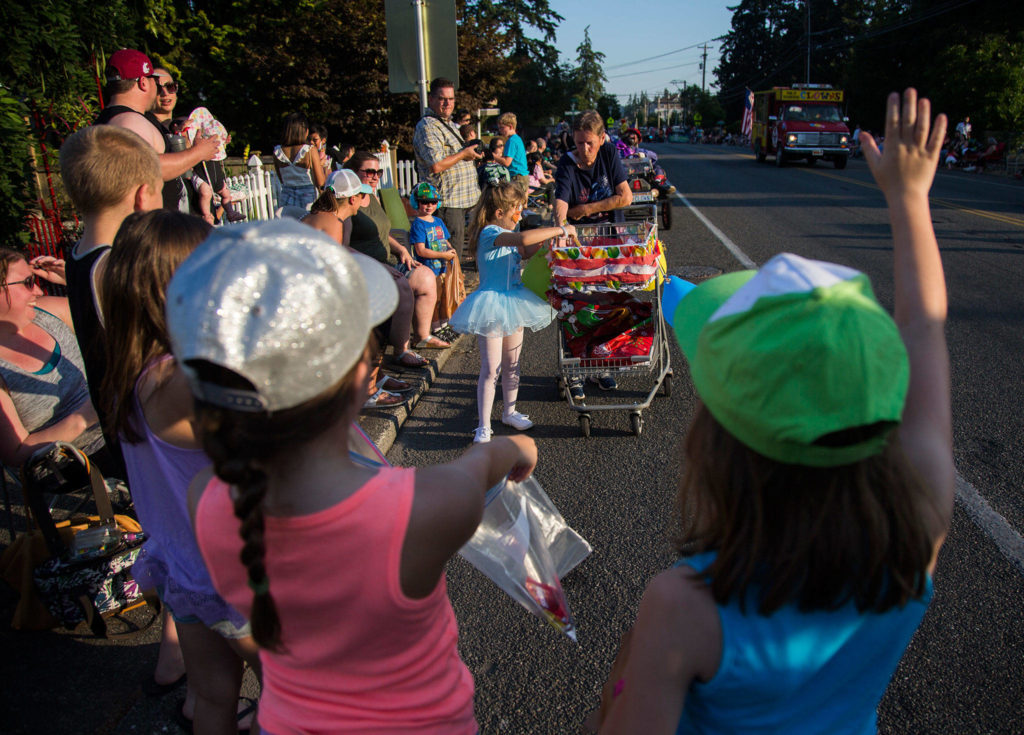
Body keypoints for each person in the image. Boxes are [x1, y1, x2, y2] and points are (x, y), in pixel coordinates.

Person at [594, 89, 954, 735]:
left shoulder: (683, 608)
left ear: (718, 441)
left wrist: (621, 677)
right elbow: (924, 329)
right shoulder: (916, 530)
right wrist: (910, 199)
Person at [169, 220, 537, 734]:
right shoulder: (420, 508)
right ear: (364, 379)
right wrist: (518, 446)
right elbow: (486, 463)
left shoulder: (205, 498)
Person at [98, 210, 260, 734]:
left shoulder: (133, 369)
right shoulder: (184, 378)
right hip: (236, 572)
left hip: (183, 566)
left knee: (212, 698)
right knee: (303, 697)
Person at [449, 182, 572, 444]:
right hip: (492, 304)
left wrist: (549, 240)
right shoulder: (491, 232)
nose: (520, 215)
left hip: (514, 301)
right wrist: (560, 228)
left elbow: (526, 249)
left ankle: (510, 412)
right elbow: (525, 239)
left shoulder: (506, 231)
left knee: (512, 364)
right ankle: (483, 425)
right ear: (499, 212)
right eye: (517, 210)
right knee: (491, 368)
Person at [301, 169, 430, 403]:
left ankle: (375, 377)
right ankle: (367, 390)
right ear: (352, 199)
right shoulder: (333, 222)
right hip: (314, 301)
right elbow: (332, 268)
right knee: (377, 320)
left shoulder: (322, 216)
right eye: (361, 195)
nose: (364, 200)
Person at [0, 249, 104, 467]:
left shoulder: (46, 313)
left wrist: (75, 282)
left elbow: (121, 321)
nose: (38, 290)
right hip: (77, 461)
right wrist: (87, 415)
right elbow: (17, 453)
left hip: (122, 427)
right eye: (27, 282)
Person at [94, 49, 222, 213]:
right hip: (149, 229)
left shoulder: (110, 119)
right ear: (143, 83)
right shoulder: (130, 121)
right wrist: (198, 153)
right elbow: (149, 167)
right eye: (155, 82)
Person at [413, 77, 484, 263]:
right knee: (449, 261)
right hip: (447, 204)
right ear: (431, 99)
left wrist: (472, 155)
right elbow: (436, 165)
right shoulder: (428, 126)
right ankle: (447, 291)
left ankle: (455, 290)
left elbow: (459, 155)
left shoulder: (449, 124)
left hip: (462, 201)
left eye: (451, 99)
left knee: (456, 257)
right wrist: (463, 154)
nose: (447, 103)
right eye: (442, 98)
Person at [553, 110, 632, 227]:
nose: (585, 149)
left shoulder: (608, 152)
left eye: (590, 143)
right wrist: (561, 228)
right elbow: (561, 201)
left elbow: (626, 197)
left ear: (602, 139)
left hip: (612, 231)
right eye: (580, 143)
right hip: (580, 233)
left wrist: (585, 209)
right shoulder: (567, 162)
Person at [408, 181, 465, 339]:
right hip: (429, 270)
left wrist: (450, 250)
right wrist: (443, 255)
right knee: (434, 300)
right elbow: (420, 250)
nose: (429, 205)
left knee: (444, 298)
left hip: (442, 268)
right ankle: (435, 327)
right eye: (424, 202)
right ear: (417, 203)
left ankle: (444, 325)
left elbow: (445, 240)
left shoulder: (438, 221)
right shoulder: (418, 224)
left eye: (433, 202)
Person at [273, 112, 326, 209]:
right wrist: (321, 165)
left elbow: (282, 179)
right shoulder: (309, 150)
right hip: (307, 198)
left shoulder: (277, 152)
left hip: (286, 197)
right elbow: (320, 182)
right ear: (305, 131)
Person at [495, 112, 529, 191]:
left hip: (517, 177)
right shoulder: (517, 139)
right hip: (522, 176)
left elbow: (507, 162)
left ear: (510, 126)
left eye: (502, 128)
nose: (500, 130)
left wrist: (492, 155)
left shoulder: (511, 141)